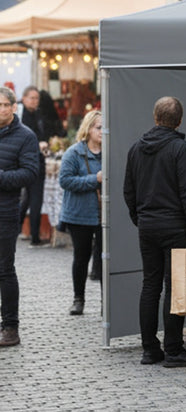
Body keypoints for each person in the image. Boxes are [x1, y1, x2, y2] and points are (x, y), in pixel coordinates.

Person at [123, 96, 186, 368]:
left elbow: (129, 191)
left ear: (155, 117)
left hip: (147, 225)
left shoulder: (136, 148)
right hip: (175, 226)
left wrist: (140, 218)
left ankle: (150, 349)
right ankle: (173, 350)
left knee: (150, 285)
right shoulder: (180, 149)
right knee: (174, 288)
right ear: (180, 121)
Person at [0, 87, 43, 347]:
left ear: (13, 107)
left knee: (4, 270)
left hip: (6, 211)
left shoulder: (26, 136)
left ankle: (10, 327)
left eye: (5, 105)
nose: (1, 109)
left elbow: (30, 174)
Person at [58, 110, 103, 316]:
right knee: (81, 257)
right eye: (98, 127)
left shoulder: (111, 153)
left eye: (105, 127)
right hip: (79, 214)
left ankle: (106, 301)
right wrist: (95, 179)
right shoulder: (74, 153)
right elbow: (65, 181)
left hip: (105, 215)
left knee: (105, 258)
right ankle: (78, 299)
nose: (102, 131)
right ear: (88, 129)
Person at [17, 86, 49, 246]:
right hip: (27, 163)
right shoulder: (20, 116)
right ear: (23, 98)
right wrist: (38, 145)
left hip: (38, 161)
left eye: (37, 98)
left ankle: (18, 230)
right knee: (34, 198)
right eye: (32, 97)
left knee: (29, 199)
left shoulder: (38, 114)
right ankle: (34, 238)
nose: (35, 101)